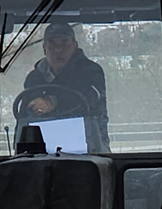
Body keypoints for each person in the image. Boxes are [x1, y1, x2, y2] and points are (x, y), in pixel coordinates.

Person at [23, 22, 110, 152]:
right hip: (44, 151)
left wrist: (53, 102)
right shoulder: (34, 79)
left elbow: (88, 97)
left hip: (91, 149)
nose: (58, 50)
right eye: (52, 43)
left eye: (64, 42)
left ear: (75, 46)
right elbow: (25, 114)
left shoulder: (91, 72)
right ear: (44, 48)